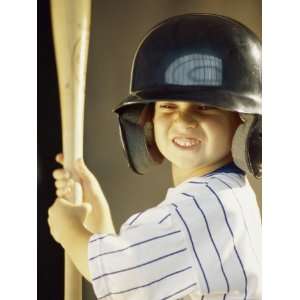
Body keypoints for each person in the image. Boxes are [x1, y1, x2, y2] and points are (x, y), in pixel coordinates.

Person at [48, 14, 262, 300]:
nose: (184, 121)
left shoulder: (204, 209)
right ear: (147, 118)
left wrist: (69, 229)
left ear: (241, 120)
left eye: (204, 107)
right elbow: (135, 286)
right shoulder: (223, 196)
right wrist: (97, 214)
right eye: (168, 106)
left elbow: (125, 279)